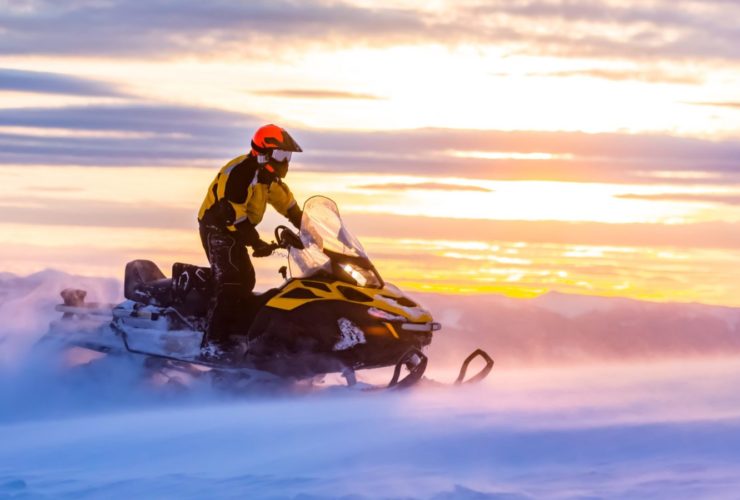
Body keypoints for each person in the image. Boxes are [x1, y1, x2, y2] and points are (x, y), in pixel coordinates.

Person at [197, 124, 304, 355]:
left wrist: (312, 230)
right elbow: (233, 214)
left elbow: (290, 207)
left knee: (247, 280)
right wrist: (256, 242)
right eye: (280, 154)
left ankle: (237, 334)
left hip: (236, 229)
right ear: (262, 152)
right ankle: (212, 343)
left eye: (287, 156)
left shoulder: (268, 179)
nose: (285, 161)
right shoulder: (242, 173)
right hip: (218, 227)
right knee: (232, 281)